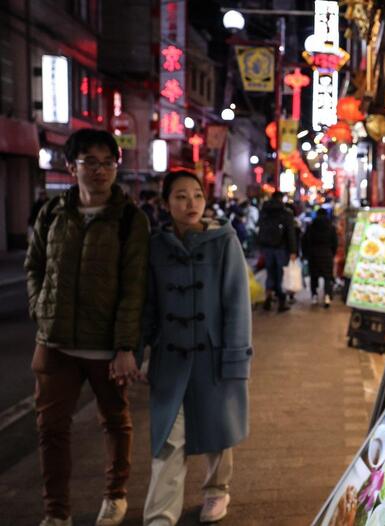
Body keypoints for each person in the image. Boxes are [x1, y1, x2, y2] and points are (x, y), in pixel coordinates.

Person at [25, 129, 150, 526]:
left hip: (105, 346)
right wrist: (40, 309)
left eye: (108, 162)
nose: (100, 170)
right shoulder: (52, 212)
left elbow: (135, 287)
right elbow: (35, 267)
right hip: (55, 343)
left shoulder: (131, 219)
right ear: (71, 166)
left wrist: (126, 346)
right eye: (90, 162)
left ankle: (115, 495)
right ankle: (56, 512)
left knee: (115, 421)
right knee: (50, 430)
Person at [140, 170, 252, 525]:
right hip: (170, 356)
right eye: (181, 196)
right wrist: (141, 348)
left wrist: (235, 357)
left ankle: (217, 490)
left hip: (213, 352)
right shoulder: (155, 246)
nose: (191, 204)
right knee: (168, 437)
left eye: (197, 196)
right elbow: (148, 304)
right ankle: (160, 514)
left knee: (218, 430)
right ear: (166, 203)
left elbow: (237, 303)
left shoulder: (224, 241)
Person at [256, 191, 297, 312]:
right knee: (280, 275)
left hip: (267, 247)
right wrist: (293, 250)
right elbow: (290, 233)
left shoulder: (264, 212)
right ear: (281, 199)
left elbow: (259, 228)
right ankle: (281, 302)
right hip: (281, 248)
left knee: (270, 272)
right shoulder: (286, 213)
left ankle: (268, 298)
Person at [301, 213, 339, 308]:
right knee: (327, 277)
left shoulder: (311, 227)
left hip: (313, 255)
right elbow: (335, 242)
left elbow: (305, 241)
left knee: (314, 276)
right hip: (327, 254)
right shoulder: (331, 227)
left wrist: (306, 254)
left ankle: (314, 295)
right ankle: (327, 297)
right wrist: (332, 253)